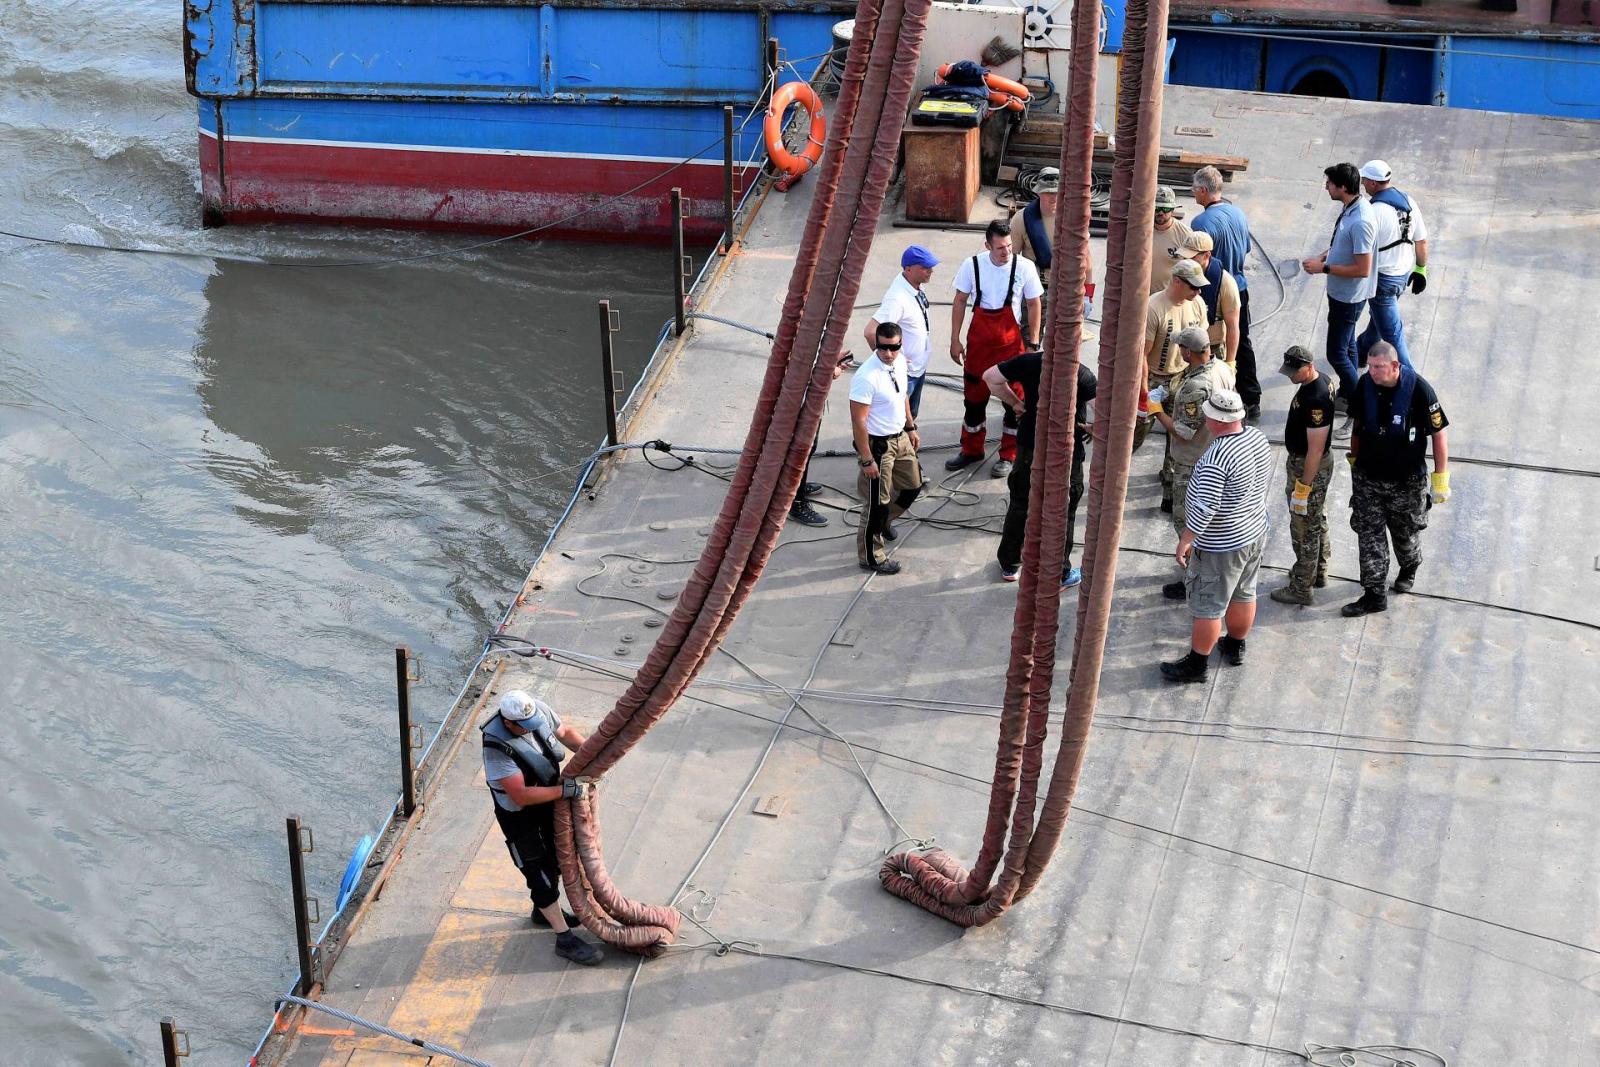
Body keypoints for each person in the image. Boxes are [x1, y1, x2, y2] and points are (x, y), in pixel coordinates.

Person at [481, 690, 605, 965]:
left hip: (546, 801)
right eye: (525, 726)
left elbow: (565, 732)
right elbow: (521, 795)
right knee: (538, 872)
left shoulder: (535, 710)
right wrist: (564, 791)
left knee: (558, 856)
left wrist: (595, 758)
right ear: (509, 723)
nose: (531, 728)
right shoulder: (496, 748)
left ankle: (543, 911)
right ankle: (563, 938)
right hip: (520, 816)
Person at [1160, 390, 1274, 683]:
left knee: (1208, 606)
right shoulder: (1257, 439)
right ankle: (1235, 646)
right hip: (1253, 531)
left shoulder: (1216, 459)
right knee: (1244, 592)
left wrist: (1185, 541)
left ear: (1215, 419)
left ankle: (1197, 665)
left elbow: (1204, 509)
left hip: (1221, 545)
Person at [1342, 342, 1450, 617]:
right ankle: (1374, 593)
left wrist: (1441, 479)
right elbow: (1357, 425)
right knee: (1369, 536)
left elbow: (1439, 434)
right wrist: (1355, 460)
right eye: (1370, 365)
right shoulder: (1365, 385)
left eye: (1378, 366)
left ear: (1394, 365)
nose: (1373, 371)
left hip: (1406, 482)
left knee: (1405, 535)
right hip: (1369, 478)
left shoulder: (1420, 391)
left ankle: (1410, 565)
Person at [983, 349, 1098, 586]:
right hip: (1066, 454)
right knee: (1064, 510)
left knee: (1021, 503)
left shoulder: (1029, 362)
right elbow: (1106, 411)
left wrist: (1016, 403)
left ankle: (1010, 563)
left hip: (1029, 448)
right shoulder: (1081, 374)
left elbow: (990, 378)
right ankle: (1061, 572)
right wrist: (1090, 428)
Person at [947, 220, 1044, 478]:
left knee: (1015, 404)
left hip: (1011, 349)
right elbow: (959, 301)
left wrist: (1033, 343)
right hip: (978, 348)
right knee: (973, 402)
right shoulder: (973, 265)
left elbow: (1034, 304)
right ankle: (971, 450)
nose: (1006, 252)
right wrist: (955, 339)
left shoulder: (1024, 267)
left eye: (1010, 246)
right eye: (1000, 247)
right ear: (987, 244)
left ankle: (1008, 455)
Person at [1151, 326, 1236, 600]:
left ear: (1188, 351)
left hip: (1192, 463)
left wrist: (1156, 412)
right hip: (1214, 453)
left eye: (1181, 348)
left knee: (1187, 524)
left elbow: (1184, 431)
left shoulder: (1197, 386)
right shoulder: (1221, 367)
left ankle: (1192, 579)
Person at [851, 322, 923, 575]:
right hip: (879, 446)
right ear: (876, 344)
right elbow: (858, 421)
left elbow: (903, 395)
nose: (888, 353)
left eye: (893, 348)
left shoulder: (900, 362)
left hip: (900, 436)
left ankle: (883, 522)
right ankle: (871, 556)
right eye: (883, 348)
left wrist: (911, 427)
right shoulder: (867, 377)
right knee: (876, 504)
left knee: (913, 485)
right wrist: (867, 459)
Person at [1301, 162, 1376, 402]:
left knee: (1336, 354)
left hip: (1349, 297)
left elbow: (1363, 268)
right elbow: (1343, 244)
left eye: (1330, 184)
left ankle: (1358, 399)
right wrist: (1325, 255)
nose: (1326, 187)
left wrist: (1324, 267)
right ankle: (1350, 391)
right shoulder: (1351, 207)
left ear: (1343, 187)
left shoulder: (1361, 220)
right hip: (1341, 293)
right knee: (1348, 346)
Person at [1136, 258, 1208, 507]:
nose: (1198, 292)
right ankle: (1112, 478)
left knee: (1177, 436)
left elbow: (1203, 345)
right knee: (1135, 432)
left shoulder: (1196, 304)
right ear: (1177, 281)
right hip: (1154, 378)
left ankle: (1169, 490)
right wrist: (1146, 394)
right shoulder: (1154, 308)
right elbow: (1141, 356)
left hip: (1181, 377)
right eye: (1193, 287)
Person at [1269, 345, 1338, 605]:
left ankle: (1301, 587)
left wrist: (1303, 488)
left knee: (1303, 527)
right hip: (1307, 464)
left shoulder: (1316, 398)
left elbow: (1316, 449)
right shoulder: (1320, 382)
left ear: (1309, 366)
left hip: (1308, 466)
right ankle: (1317, 571)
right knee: (1316, 518)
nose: (1289, 376)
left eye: (1294, 371)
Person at [1190, 165, 1260, 418]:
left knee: (1208, 342)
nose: (1193, 194)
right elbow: (1246, 249)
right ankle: (1251, 398)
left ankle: (1212, 394)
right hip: (1240, 287)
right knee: (1242, 342)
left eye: (1195, 190)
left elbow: (1198, 261)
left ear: (1203, 190)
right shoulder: (1238, 214)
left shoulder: (1200, 222)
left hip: (1214, 290)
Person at [1355, 159, 1428, 370]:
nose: (1362, 183)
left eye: (1365, 180)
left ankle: (1412, 384)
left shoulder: (1372, 211)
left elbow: (1359, 247)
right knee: (1379, 321)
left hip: (1382, 282)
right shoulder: (1409, 202)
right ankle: (1362, 350)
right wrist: (1421, 269)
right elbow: (1421, 240)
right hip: (1402, 275)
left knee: (1394, 338)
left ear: (1374, 184)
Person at [865, 245, 939, 418]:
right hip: (906, 373)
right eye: (925, 268)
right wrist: (890, 360)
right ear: (908, 269)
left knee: (910, 415)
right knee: (900, 418)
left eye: (931, 266)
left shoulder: (914, 284)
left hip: (917, 368)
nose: (930, 271)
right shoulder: (897, 299)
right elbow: (870, 332)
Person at [788, 354, 852, 528]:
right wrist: (830, 372)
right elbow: (798, 369)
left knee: (808, 449)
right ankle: (796, 502)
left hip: (808, 402)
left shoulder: (812, 330)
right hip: (800, 404)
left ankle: (796, 487)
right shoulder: (803, 333)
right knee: (802, 450)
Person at [1170, 231, 1241, 372]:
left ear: (1207, 255)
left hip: (1211, 347)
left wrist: (1230, 362)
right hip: (1182, 346)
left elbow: (1233, 326)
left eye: (1192, 256)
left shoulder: (1226, 283)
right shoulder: (1180, 274)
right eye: (1185, 255)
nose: (1187, 260)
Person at [1148, 185, 1193, 294]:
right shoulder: (1140, 231)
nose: (1161, 213)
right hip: (1142, 299)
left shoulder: (1185, 234)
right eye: (1157, 208)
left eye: (1166, 209)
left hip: (1170, 299)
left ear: (1172, 210)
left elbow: (1192, 271)